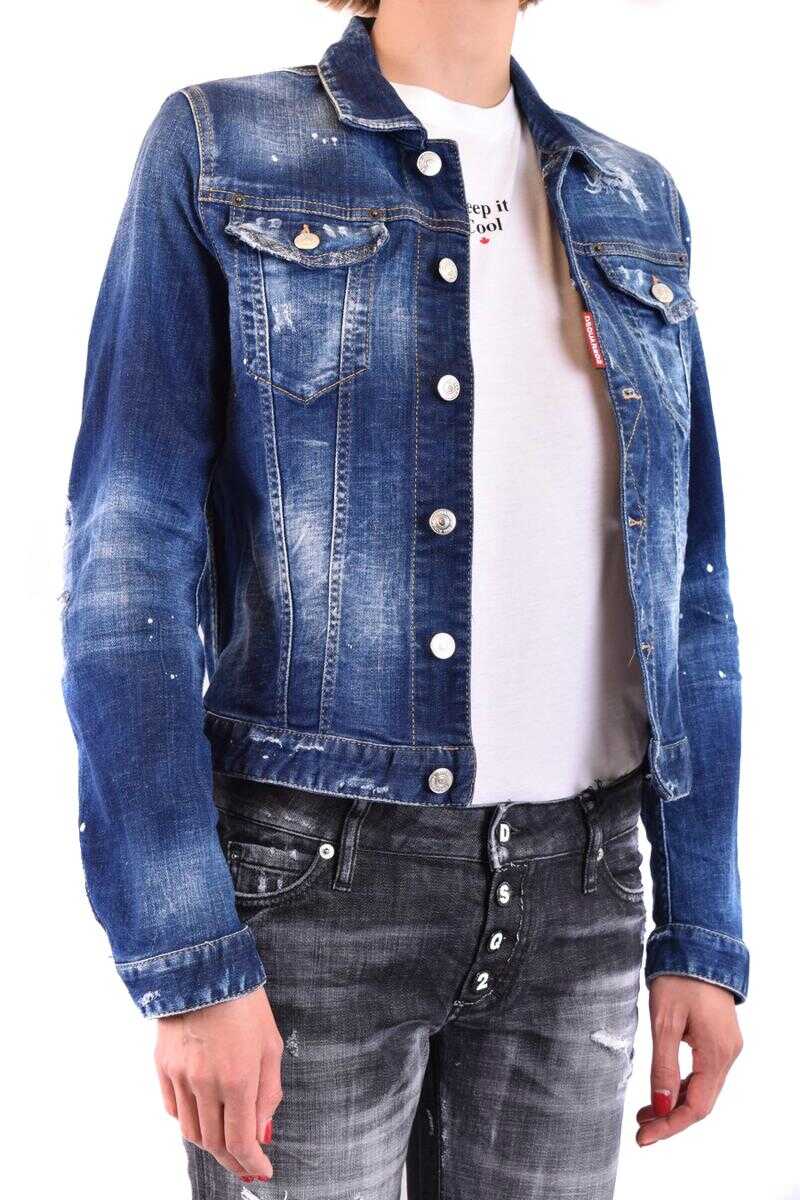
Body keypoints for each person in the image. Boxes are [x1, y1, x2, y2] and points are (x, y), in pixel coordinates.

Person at [62, 1, 747, 1196]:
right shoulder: (222, 146)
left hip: (583, 895)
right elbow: (127, 564)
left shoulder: (632, 196)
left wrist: (700, 928)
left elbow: (688, 589)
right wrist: (188, 955)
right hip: (313, 886)